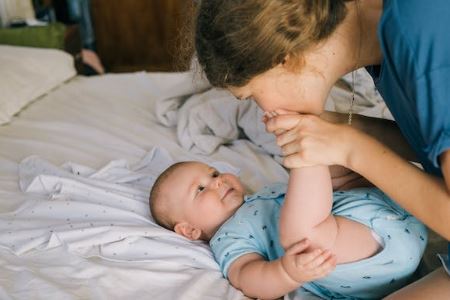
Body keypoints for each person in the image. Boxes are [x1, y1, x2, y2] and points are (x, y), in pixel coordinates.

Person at [194, 0, 450, 297]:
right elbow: (433, 143)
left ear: (284, 59)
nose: (261, 108)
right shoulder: (382, 40)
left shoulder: (418, 28)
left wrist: (352, 148)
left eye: (250, 95)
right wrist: (345, 129)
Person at [149, 157, 426, 299]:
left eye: (214, 173)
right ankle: (309, 154)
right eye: (200, 189)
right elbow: (246, 276)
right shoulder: (227, 238)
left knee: (329, 170)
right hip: (372, 255)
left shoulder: (262, 193)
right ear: (189, 231)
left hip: (394, 210)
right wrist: (286, 272)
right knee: (306, 230)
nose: (217, 182)